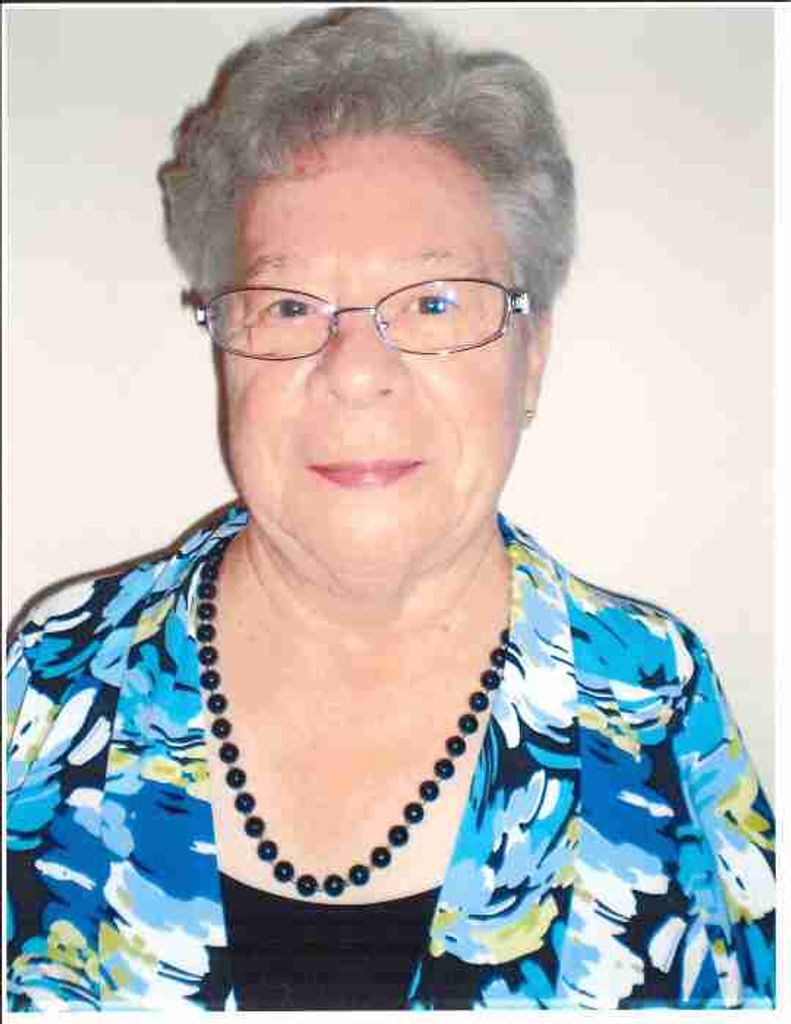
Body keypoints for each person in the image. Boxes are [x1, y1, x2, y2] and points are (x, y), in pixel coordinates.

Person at [5, 6, 775, 1013]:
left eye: (432, 302)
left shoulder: (653, 697)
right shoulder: (55, 676)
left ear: (530, 358)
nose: (355, 371)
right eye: (290, 306)